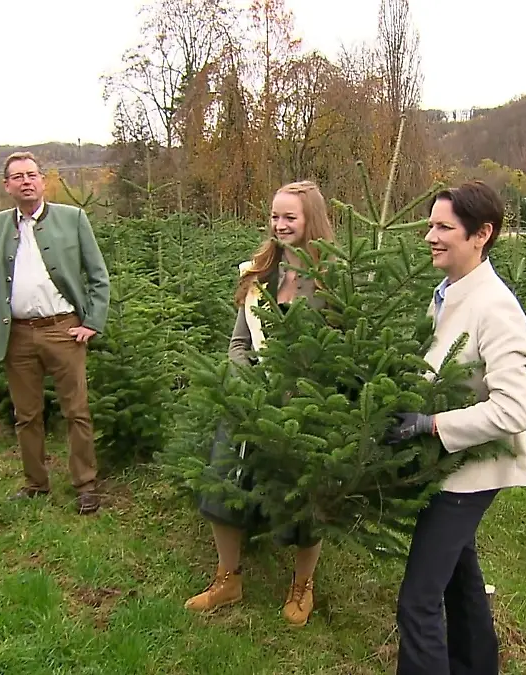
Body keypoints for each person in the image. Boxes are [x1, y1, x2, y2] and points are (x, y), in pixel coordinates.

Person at [385, 180, 526, 674]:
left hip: (471, 470)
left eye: (444, 227)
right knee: (459, 576)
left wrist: (431, 425)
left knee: (418, 600)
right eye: (430, 225)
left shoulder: (495, 307)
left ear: (481, 234)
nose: (430, 236)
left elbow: (515, 409)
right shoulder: (447, 292)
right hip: (450, 463)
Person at [185, 180, 335, 627]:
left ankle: (302, 585)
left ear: (311, 219)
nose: (279, 224)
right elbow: (239, 342)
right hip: (249, 401)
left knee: (306, 499)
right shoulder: (259, 273)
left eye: (290, 217)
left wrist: (301, 392)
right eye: (274, 216)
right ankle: (227, 579)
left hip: (304, 408)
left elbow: (340, 349)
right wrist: (244, 384)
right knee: (222, 484)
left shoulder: (331, 279)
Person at [0, 152, 110, 514]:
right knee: (26, 415)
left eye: (32, 175)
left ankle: (85, 485)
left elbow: (98, 276)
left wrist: (92, 322)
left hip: (63, 330)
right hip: (17, 335)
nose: (26, 181)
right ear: (7, 186)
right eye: (18, 177)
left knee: (76, 411)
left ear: (42, 180)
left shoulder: (73, 219)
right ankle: (35, 484)